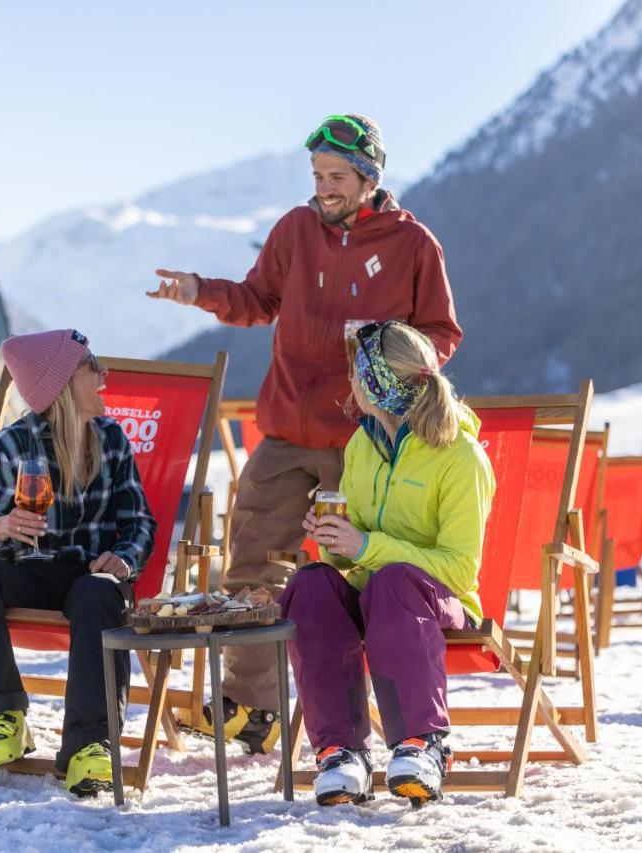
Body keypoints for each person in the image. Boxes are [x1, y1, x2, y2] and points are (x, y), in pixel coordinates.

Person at [148, 114, 463, 751]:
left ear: (370, 178)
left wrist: (392, 356)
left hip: (364, 441)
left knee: (359, 574)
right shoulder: (295, 229)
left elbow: (441, 335)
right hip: (287, 430)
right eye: (318, 175)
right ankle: (253, 709)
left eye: (338, 176)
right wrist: (197, 291)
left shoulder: (414, 245)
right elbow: (259, 299)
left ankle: (370, 721)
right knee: (252, 564)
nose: (324, 187)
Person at [282, 321, 494, 808]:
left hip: (439, 603)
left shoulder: (461, 457)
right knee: (311, 586)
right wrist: (331, 538)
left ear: (378, 383)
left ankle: (422, 745)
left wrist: (367, 547)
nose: (351, 381)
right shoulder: (364, 445)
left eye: (358, 371)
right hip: (373, 594)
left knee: (394, 581)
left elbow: (460, 569)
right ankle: (341, 754)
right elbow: (350, 553)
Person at [0, 329, 156, 797]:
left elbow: (139, 521)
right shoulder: (10, 447)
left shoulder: (112, 441)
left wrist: (123, 559)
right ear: (60, 385)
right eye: (92, 367)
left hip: (86, 576)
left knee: (101, 593)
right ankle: (3, 716)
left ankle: (89, 745)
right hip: (26, 570)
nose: (105, 375)